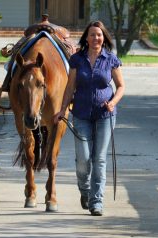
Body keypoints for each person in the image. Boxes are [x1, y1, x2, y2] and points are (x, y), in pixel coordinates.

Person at [53, 20, 125, 216]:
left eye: (99, 34)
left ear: (104, 38)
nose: (96, 38)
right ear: (86, 37)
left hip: (105, 115)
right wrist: (62, 109)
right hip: (81, 114)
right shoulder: (77, 59)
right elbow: (70, 87)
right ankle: (85, 191)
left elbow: (120, 87)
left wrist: (113, 102)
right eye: (92, 34)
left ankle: (96, 202)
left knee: (99, 159)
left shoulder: (111, 59)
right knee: (83, 159)